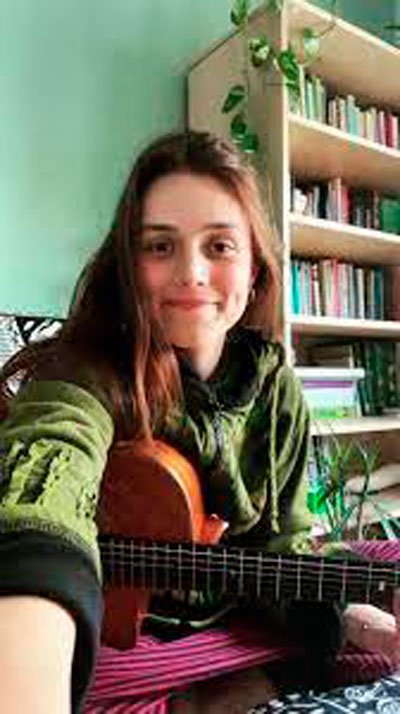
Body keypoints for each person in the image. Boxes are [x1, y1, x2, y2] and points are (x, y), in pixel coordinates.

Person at [0, 131, 398, 714]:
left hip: (237, 607)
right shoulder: (89, 371)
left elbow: (284, 546)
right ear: (128, 267)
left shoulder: (275, 387)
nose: (191, 272)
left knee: (379, 570)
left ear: (256, 267)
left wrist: (351, 617)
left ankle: (219, 690)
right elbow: (43, 488)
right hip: (130, 636)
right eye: (160, 246)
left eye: (219, 245)